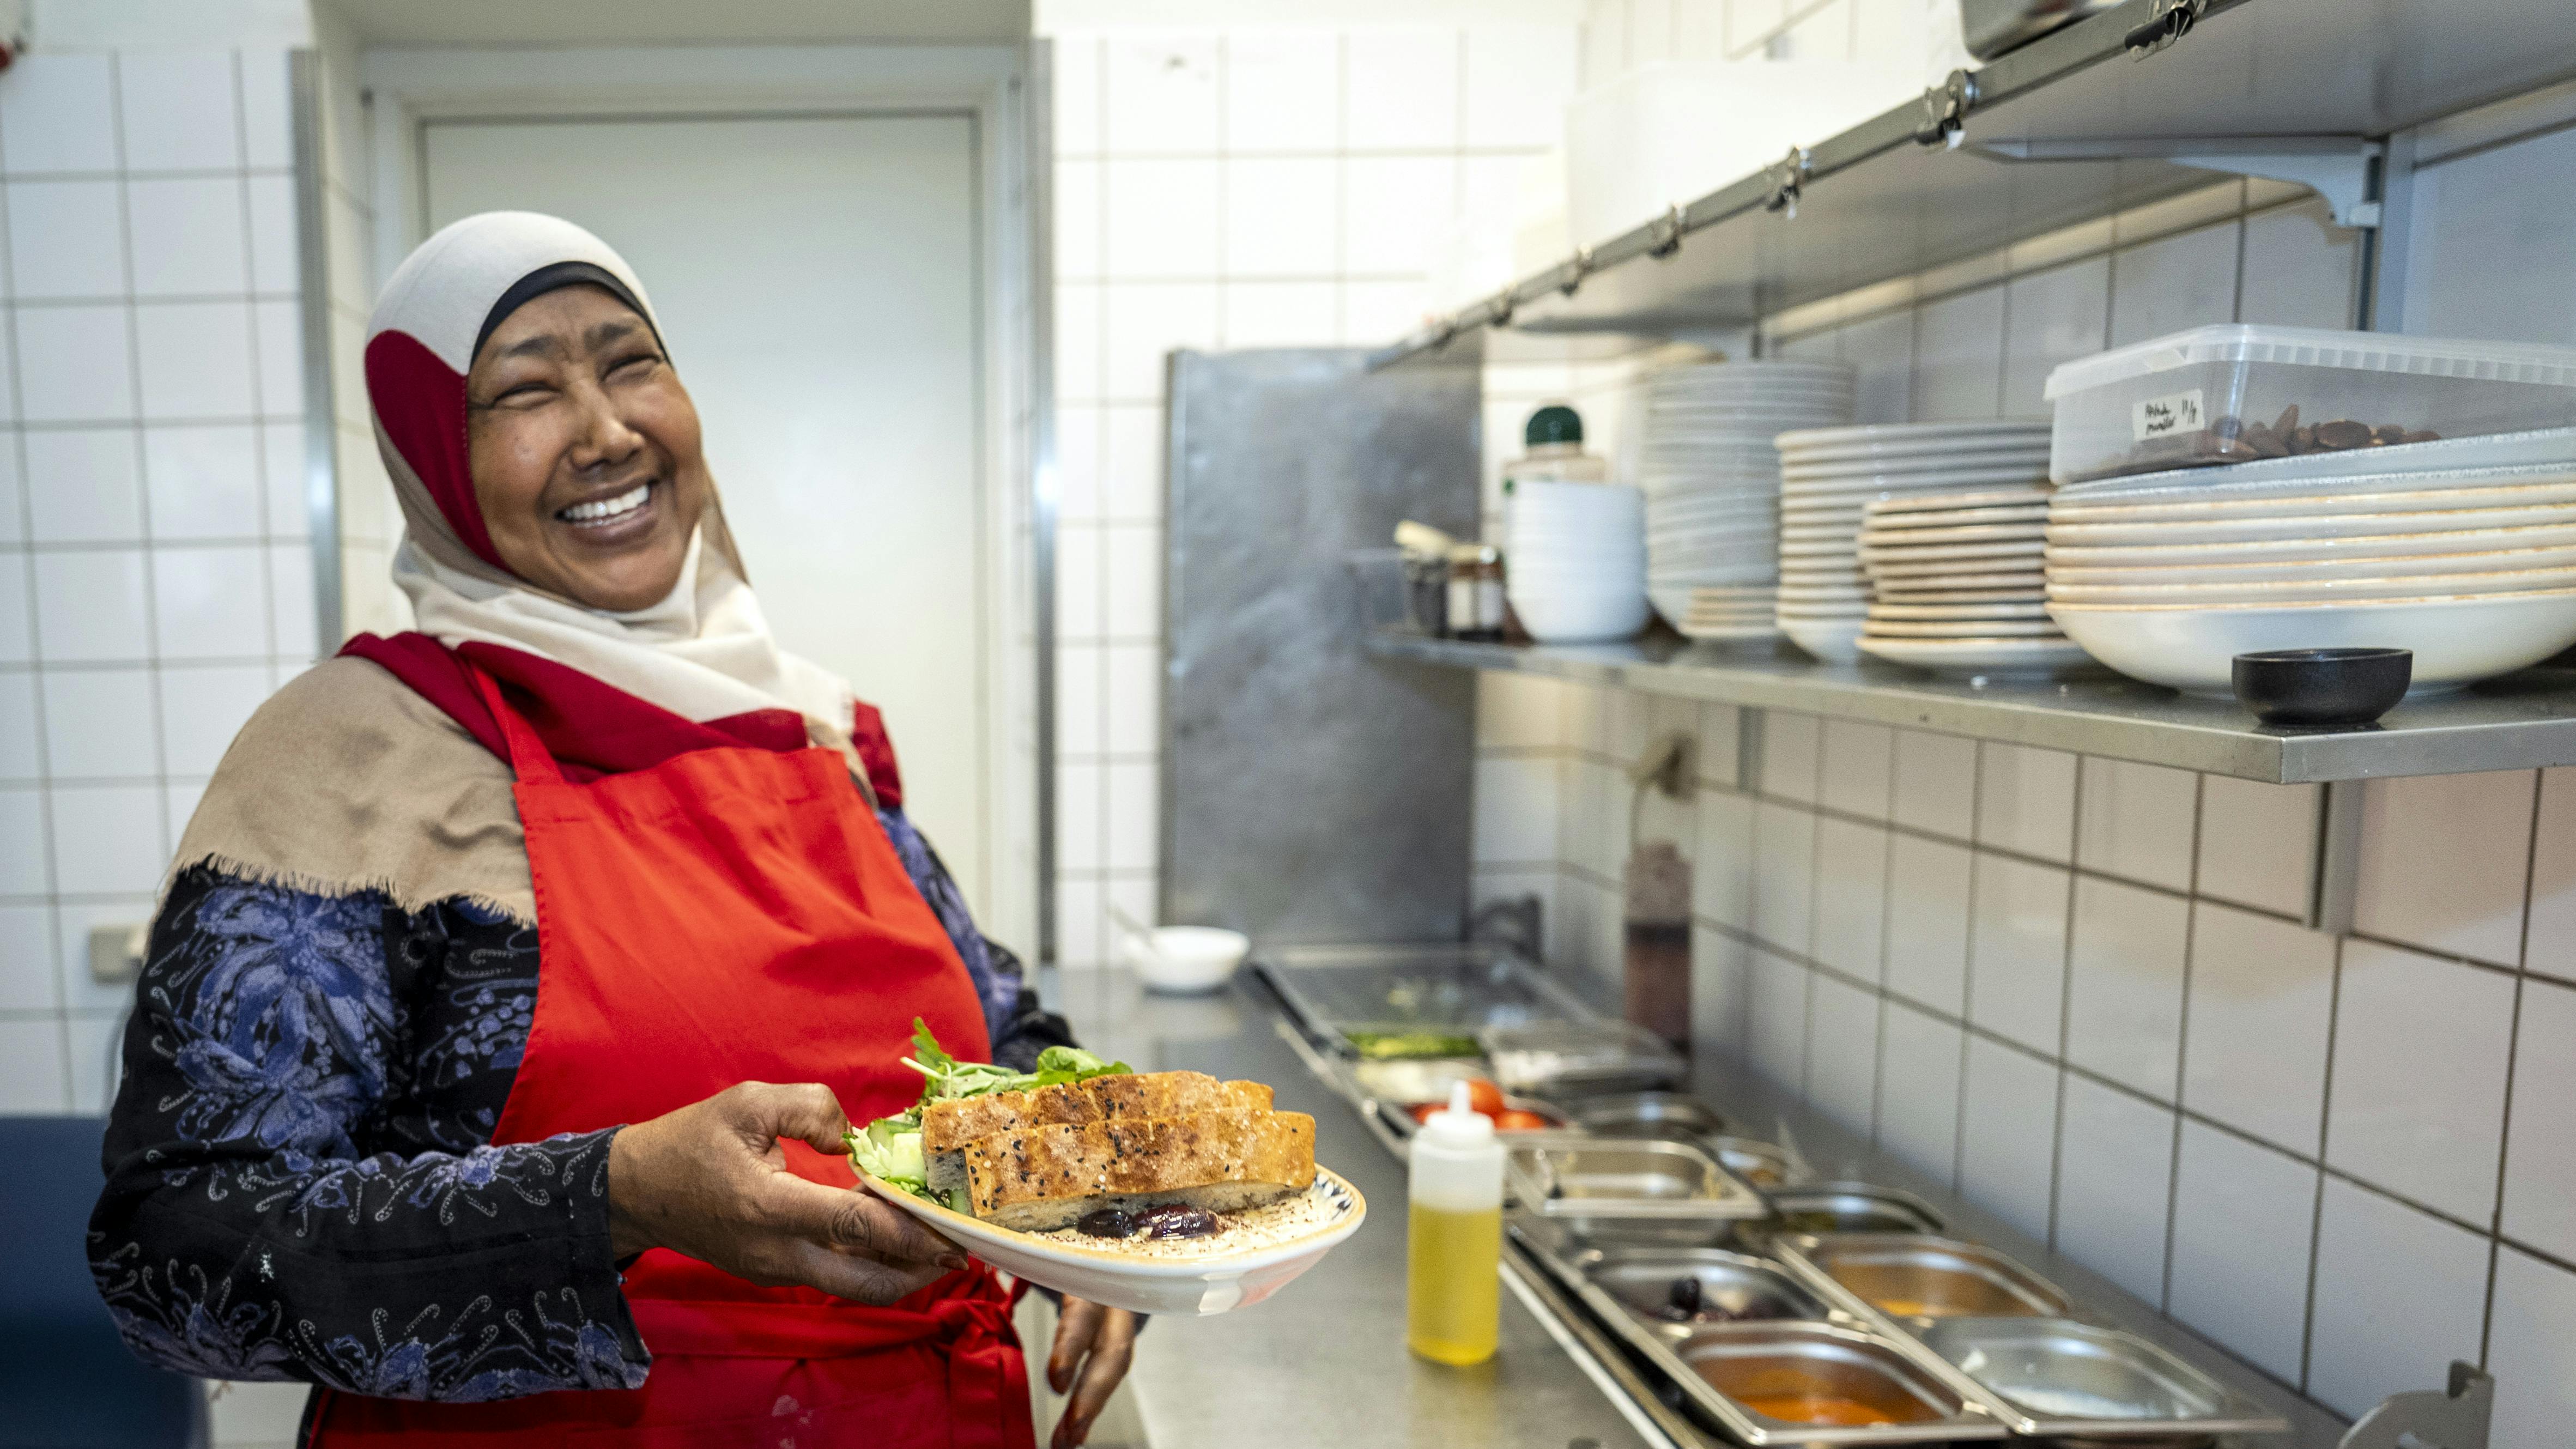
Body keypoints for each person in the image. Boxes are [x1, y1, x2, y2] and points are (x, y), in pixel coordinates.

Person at [88, 212, 1136, 1449]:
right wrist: (608, 1199)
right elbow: (177, 1252)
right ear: (435, 459)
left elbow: (1003, 1035)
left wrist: (1093, 1206)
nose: (607, 430)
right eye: (525, 391)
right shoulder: (350, 753)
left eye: (631, 362)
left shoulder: (817, 727)